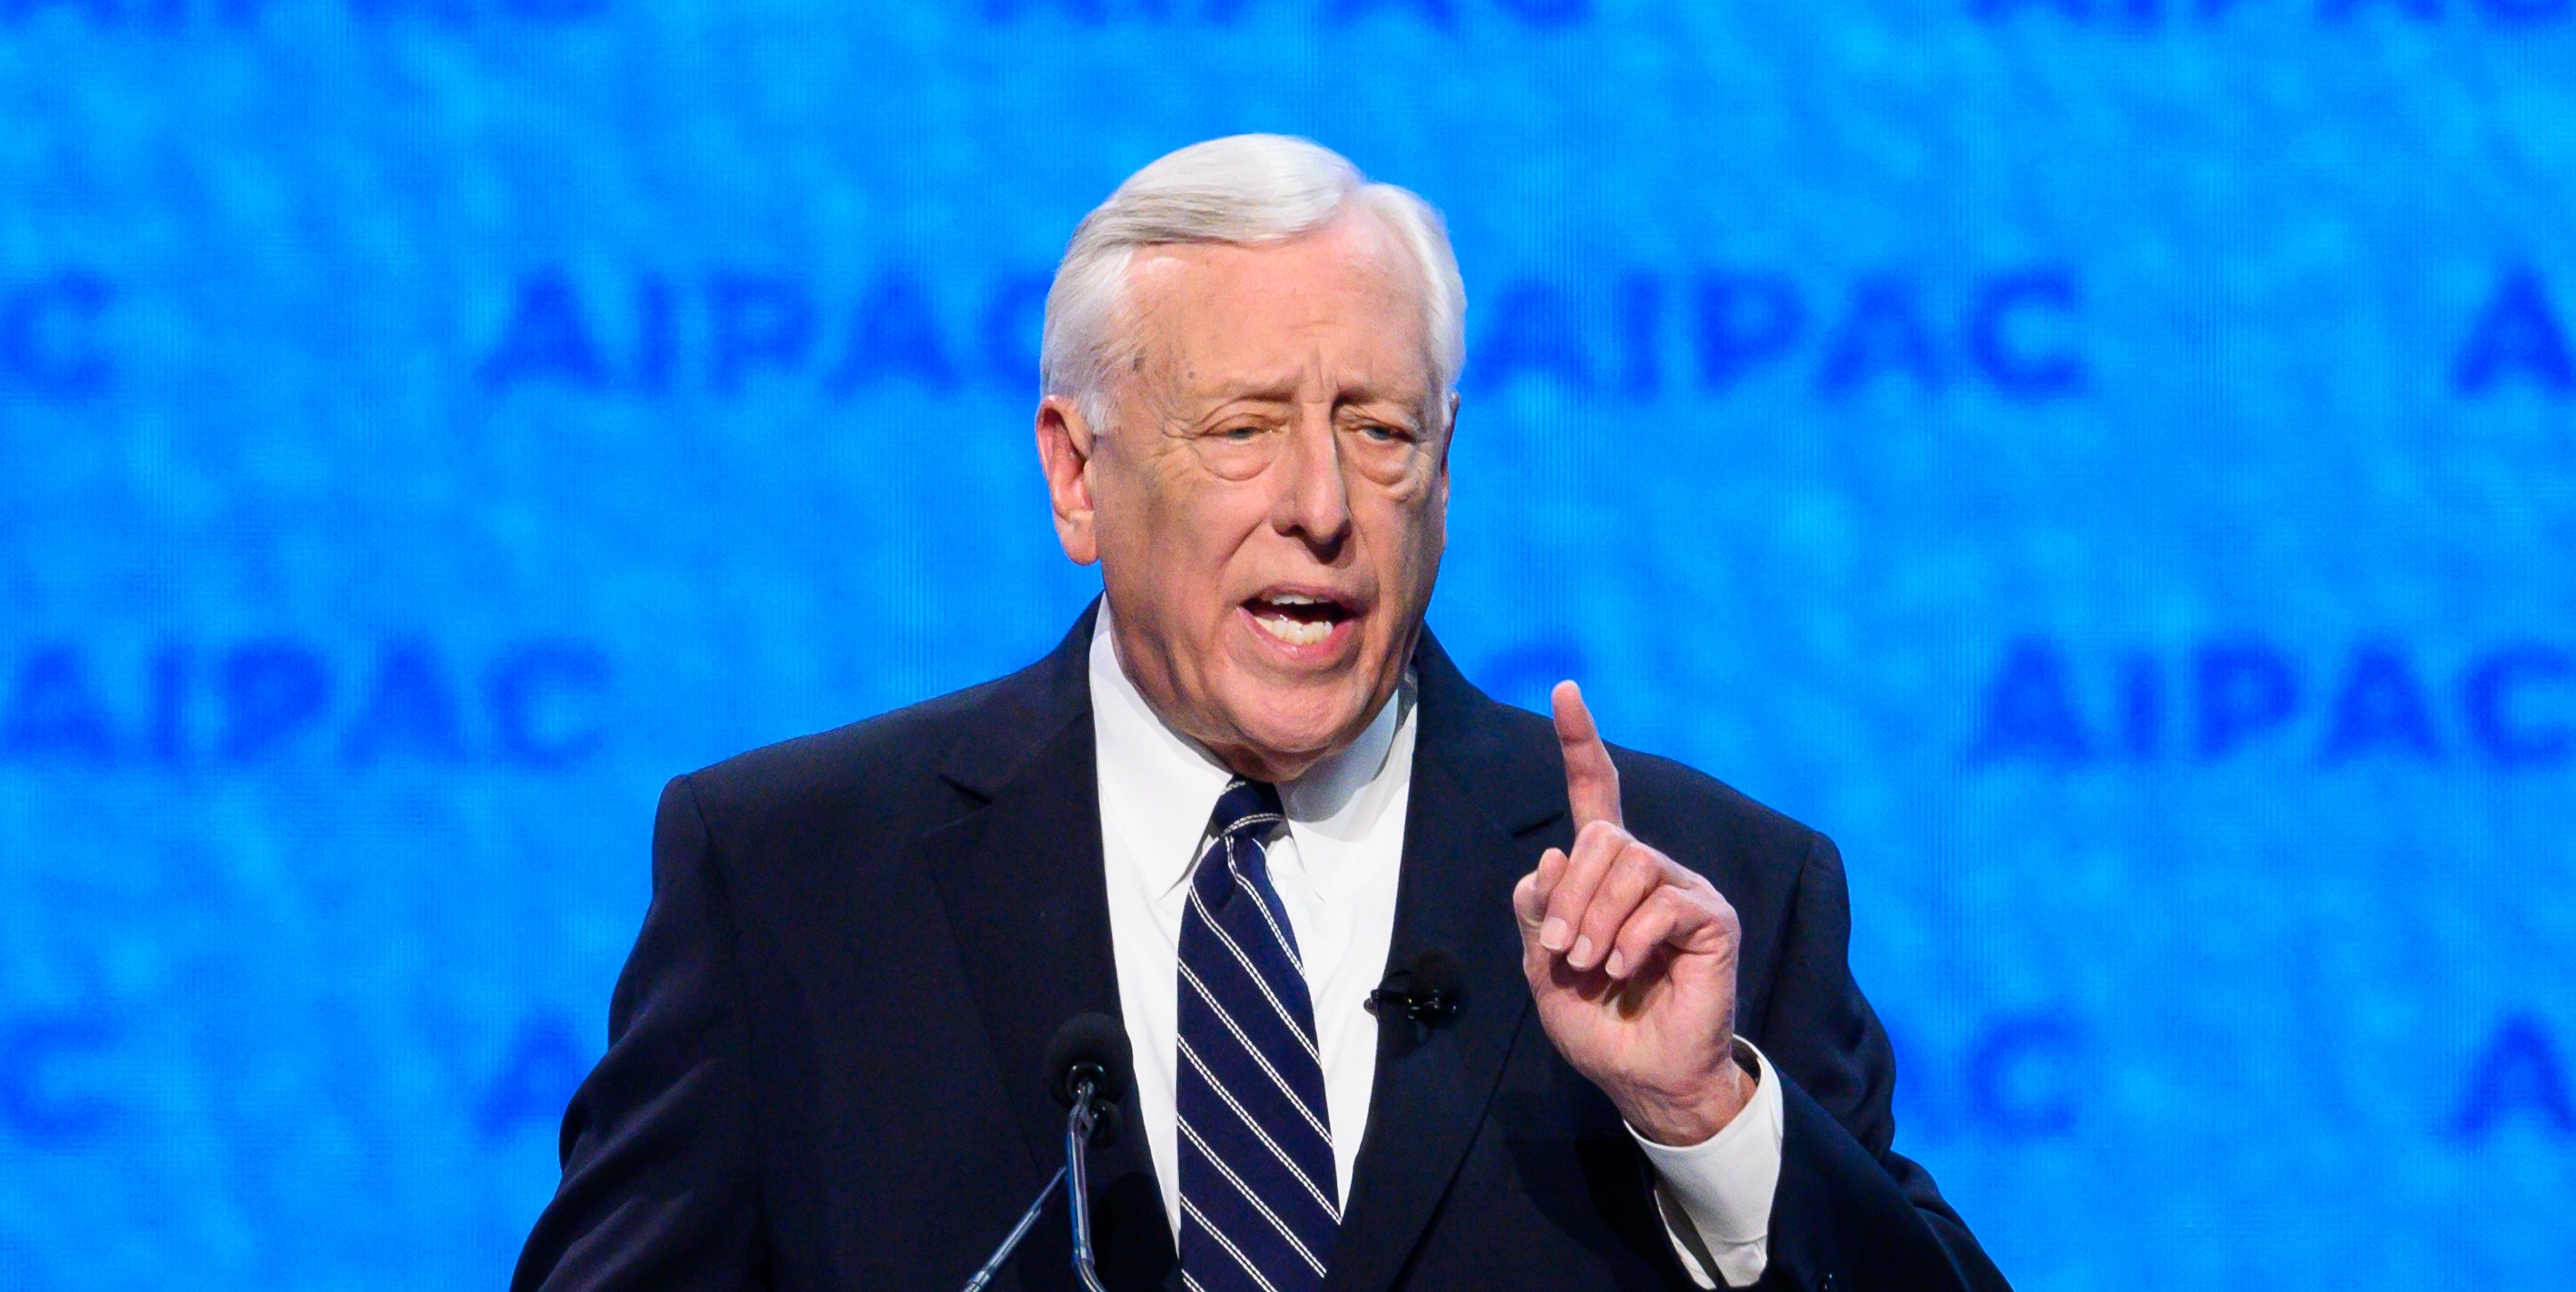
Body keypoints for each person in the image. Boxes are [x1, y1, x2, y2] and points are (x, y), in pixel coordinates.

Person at [513, 134, 2010, 1292]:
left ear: (1447, 463)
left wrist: (1702, 1123)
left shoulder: (1707, 895)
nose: (1320, 507)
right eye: (1239, 430)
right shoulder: (791, 877)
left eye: (1379, 430)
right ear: (1076, 475)